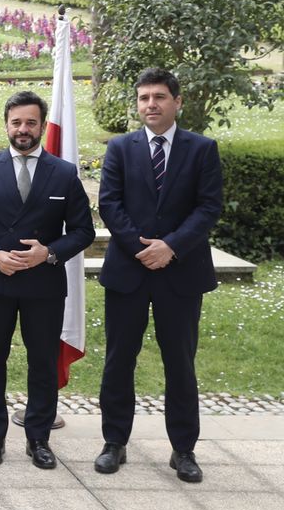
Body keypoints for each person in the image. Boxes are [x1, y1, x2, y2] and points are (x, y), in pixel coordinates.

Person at [95, 68, 223, 483]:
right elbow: (110, 205)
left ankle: (183, 449)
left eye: (159, 97)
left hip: (181, 273)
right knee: (118, 360)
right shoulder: (119, 148)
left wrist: (170, 247)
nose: (151, 104)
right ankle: (114, 442)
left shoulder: (202, 149)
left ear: (177, 102)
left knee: (180, 363)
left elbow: (208, 208)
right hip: (128, 272)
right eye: (144, 97)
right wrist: (141, 248)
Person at [0, 90, 95, 469]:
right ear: (6, 125)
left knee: (43, 363)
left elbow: (83, 231)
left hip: (43, 286)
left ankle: (39, 438)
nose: (23, 129)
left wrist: (48, 253)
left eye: (30, 122)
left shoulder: (64, 173)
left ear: (41, 126)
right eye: (16, 122)